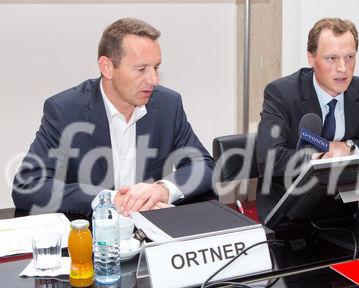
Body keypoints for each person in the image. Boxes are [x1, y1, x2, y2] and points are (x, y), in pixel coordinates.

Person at [12, 18, 215, 216]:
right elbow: (29, 185)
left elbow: (203, 165)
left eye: (156, 67)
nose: (153, 80)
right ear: (107, 67)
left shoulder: (168, 105)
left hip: (149, 232)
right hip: (92, 234)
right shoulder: (65, 110)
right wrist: (108, 199)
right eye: (142, 69)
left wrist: (162, 189)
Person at [255, 17, 359, 219]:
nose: (343, 68)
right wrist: (319, 159)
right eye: (332, 58)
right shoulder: (282, 93)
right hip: (291, 205)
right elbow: (268, 159)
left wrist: (349, 147)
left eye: (349, 57)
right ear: (311, 58)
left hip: (349, 205)